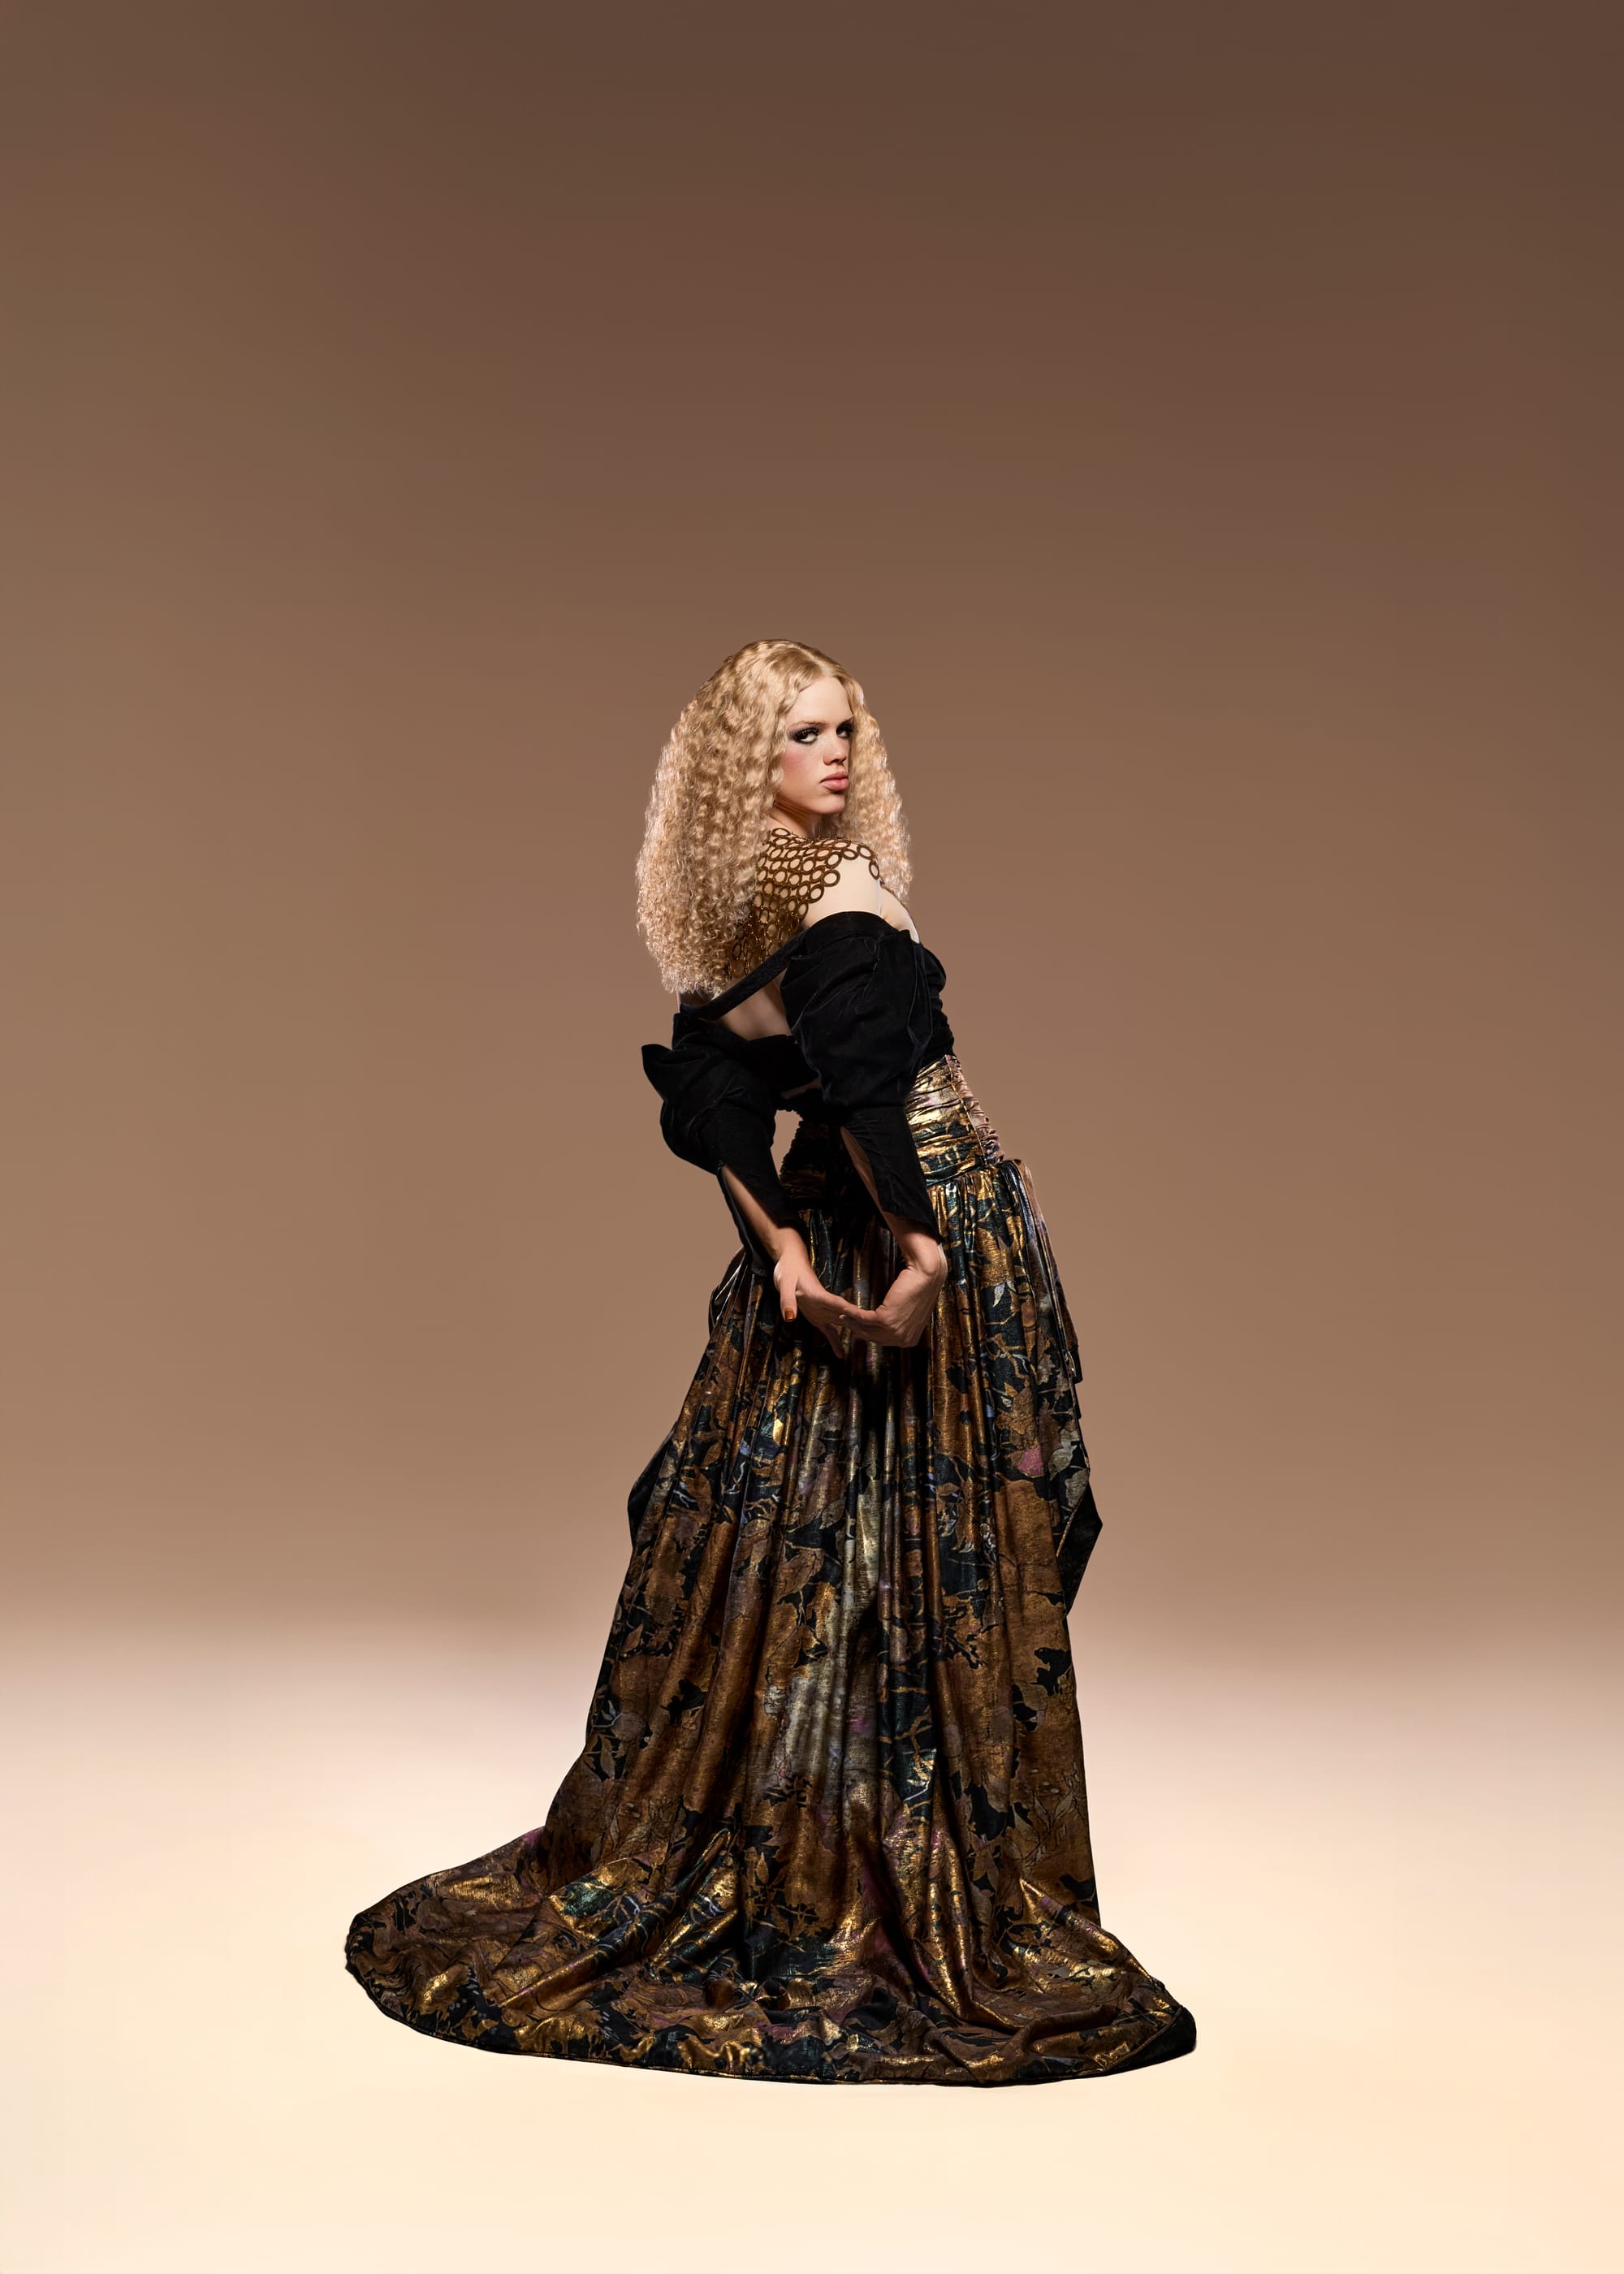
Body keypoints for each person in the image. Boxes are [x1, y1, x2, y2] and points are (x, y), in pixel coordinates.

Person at [345, 638, 1195, 2084]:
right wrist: (919, 1253)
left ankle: (806, 1839)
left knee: (798, 1544)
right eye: (804, 735)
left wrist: (788, 1255)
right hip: (925, 1210)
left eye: (845, 727)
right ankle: (884, 1869)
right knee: (922, 1539)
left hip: (826, 1236)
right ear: (751, 764)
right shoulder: (844, 902)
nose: (838, 754)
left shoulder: (743, 912)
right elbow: (859, 1089)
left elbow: (717, 1083)